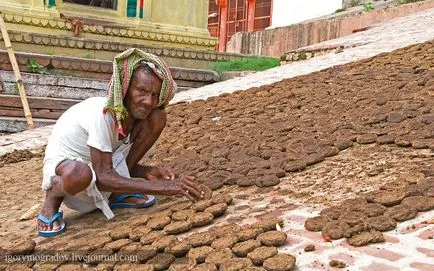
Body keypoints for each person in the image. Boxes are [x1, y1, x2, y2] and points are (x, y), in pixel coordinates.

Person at [36, 48, 203, 237]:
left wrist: (145, 171)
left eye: (155, 94)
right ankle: (52, 199)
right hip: (71, 178)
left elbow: (108, 162)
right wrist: (164, 187)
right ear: (125, 89)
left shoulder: (137, 116)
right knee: (79, 173)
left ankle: (118, 191)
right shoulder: (102, 114)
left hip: (102, 168)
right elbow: (104, 176)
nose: (148, 101)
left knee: (158, 116)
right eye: (141, 91)